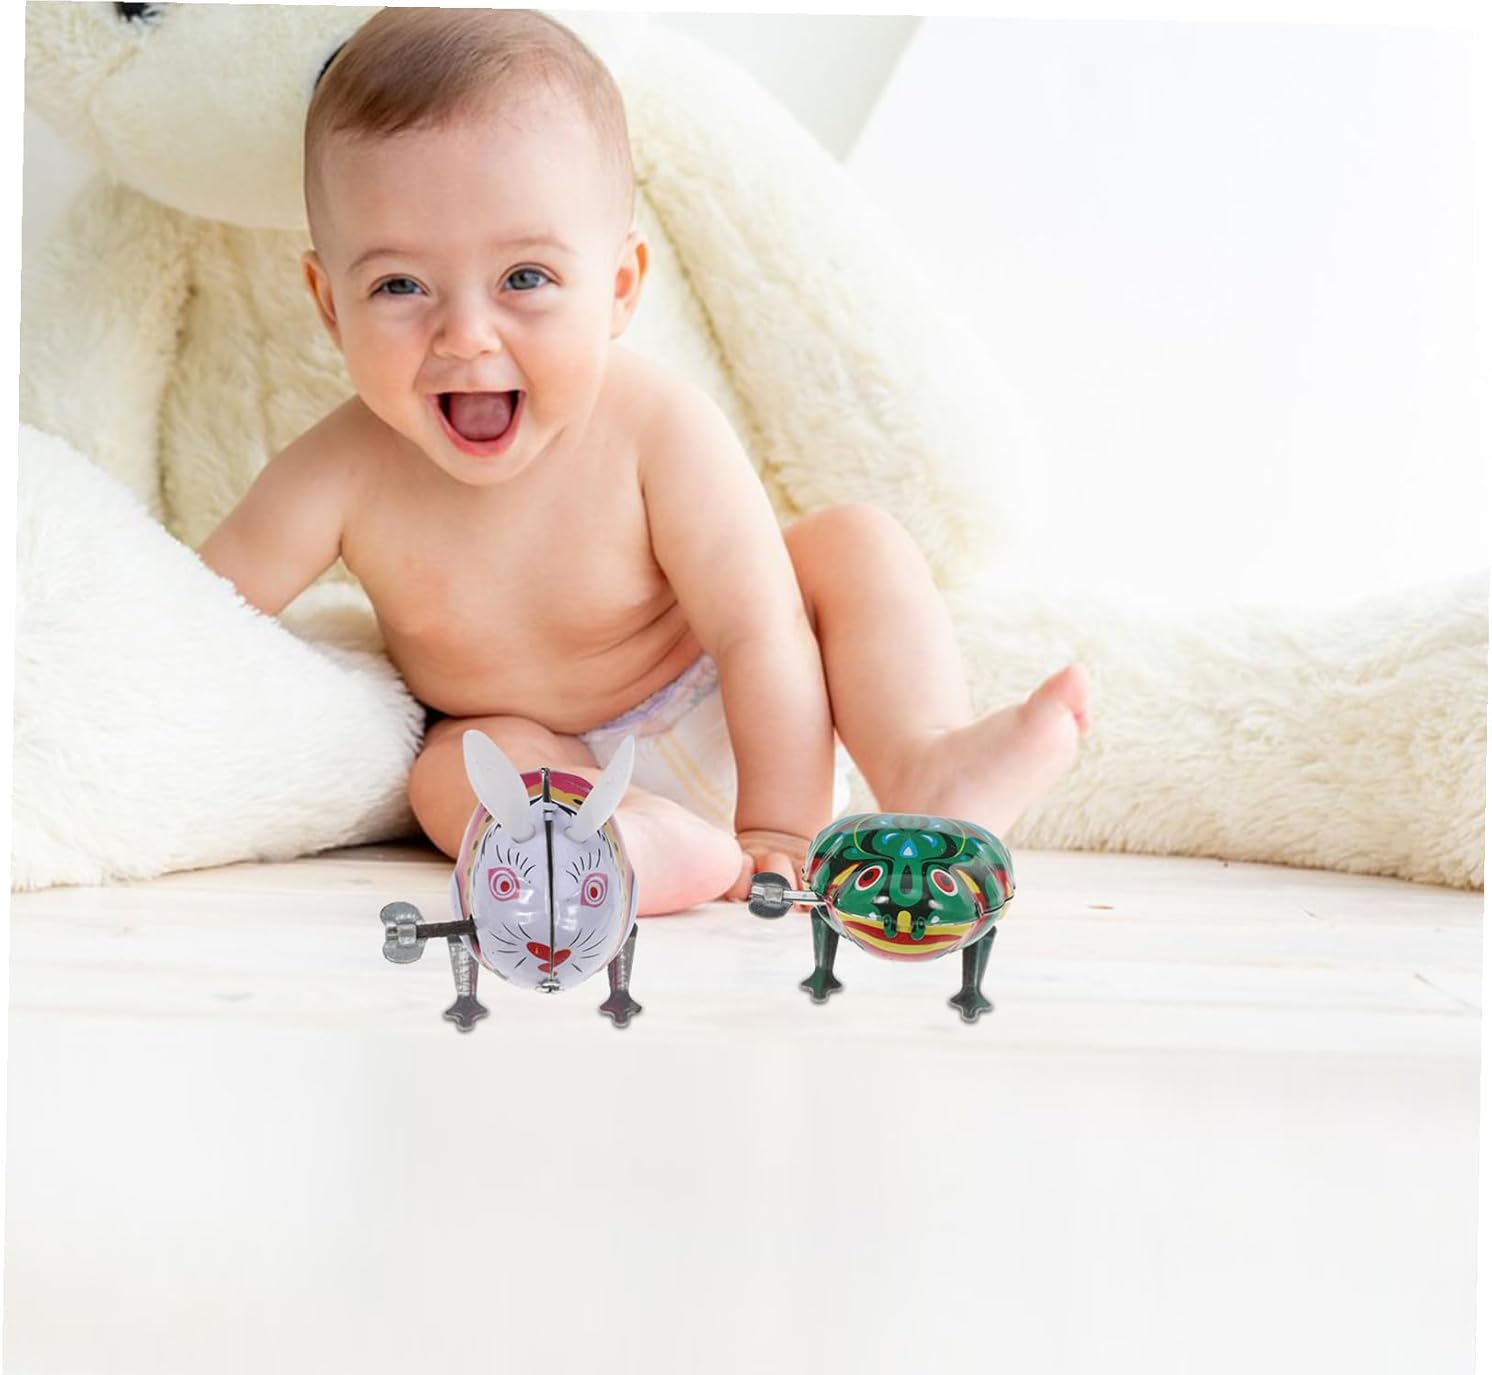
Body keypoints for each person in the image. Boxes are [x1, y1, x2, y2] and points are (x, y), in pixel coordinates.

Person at [198, 7, 1092, 915]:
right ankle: (618, 843)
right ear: (329, 303)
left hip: (746, 712)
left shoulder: (657, 425)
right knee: (450, 768)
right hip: (552, 761)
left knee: (854, 545)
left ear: (619, 286)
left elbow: (758, 627)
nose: (465, 335)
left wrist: (780, 831)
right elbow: (197, 611)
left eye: (524, 278)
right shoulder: (337, 472)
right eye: (400, 285)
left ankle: (923, 764)